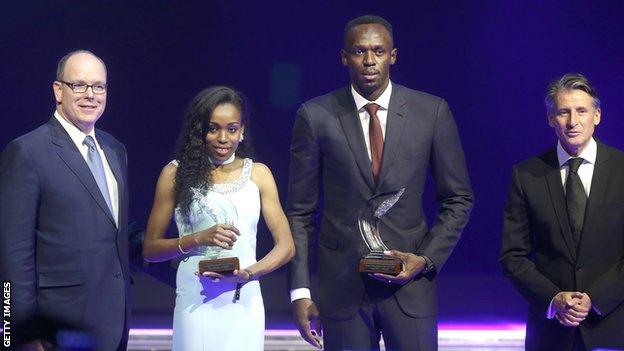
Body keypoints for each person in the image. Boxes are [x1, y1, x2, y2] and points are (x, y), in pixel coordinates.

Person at [287, 15, 474, 350]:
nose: (370, 60)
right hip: (343, 290)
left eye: (378, 51)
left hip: (410, 285)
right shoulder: (315, 116)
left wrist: (424, 259)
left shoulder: (430, 112)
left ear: (393, 55)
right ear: (344, 56)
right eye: (360, 51)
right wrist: (300, 292)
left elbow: (458, 198)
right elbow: (300, 213)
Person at [143, 86, 295, 351]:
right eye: (213, 128)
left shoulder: (259, 174)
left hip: (244, 300)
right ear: (199, 129)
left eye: (232, 129)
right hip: (195, 301)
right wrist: (198, 238)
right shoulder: (175, 174)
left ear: (242, 130)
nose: (223, 138)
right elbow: (150, 250)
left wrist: (248, 274)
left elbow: (286, 246)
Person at [0, 50, 132, 350]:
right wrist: (18, 334)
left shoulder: (115, 150)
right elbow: (11, 253)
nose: (91, 95)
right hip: (55, 330)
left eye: (99, 86)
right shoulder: (27, 152)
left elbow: (115, 232)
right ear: (58, 90)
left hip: (114, 324)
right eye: (79, 85)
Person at [499, 73, 624, 350]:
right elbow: (512, 255)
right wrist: (553, 299)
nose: (572, 121)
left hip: (614, 328)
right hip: (552, 332)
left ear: (597, 115)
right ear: (550, 118)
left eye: (581, 111)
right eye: (563, 112)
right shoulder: (527, 174)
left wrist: (597, 299)